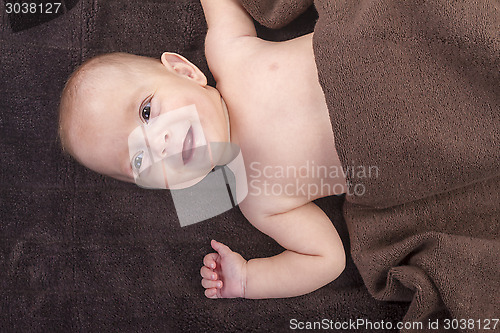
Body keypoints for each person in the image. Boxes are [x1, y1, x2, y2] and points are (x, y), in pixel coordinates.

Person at [58, 0, 347, 299]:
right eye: (139, 160)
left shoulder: (231, 56)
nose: (158, 143)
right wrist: (248, 280)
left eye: (146, 112)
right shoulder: (257, 199)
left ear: (185, 72)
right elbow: (326, 259)